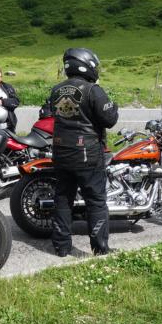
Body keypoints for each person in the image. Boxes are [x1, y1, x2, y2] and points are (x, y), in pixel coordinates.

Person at [48, 48, 119, 257]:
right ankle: (100, 248)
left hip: (61, 151)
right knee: (96, 201)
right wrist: (114, 107)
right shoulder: (93, 90)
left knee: (63, 199)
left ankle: (61, 247)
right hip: (87, 153)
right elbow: (109, 119)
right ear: (87, 65)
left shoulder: (56, 90)